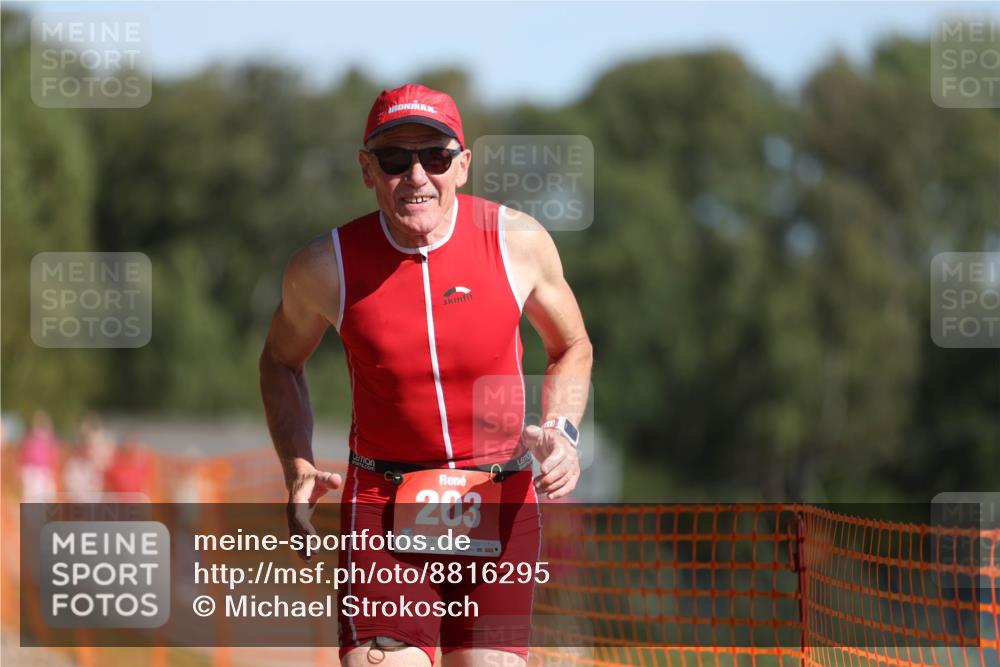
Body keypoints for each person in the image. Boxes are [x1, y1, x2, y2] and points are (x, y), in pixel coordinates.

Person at [260, 83, 592, 667]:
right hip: (382, 507)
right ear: (368, 170)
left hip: (499, 499)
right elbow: (280, 362)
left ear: (462, 165)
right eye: (395, 159)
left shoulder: (518, 243)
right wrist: (296, 462)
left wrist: (563, 430)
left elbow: (571, 345)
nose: (416, 176)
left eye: (434, 157)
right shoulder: (324, 266)